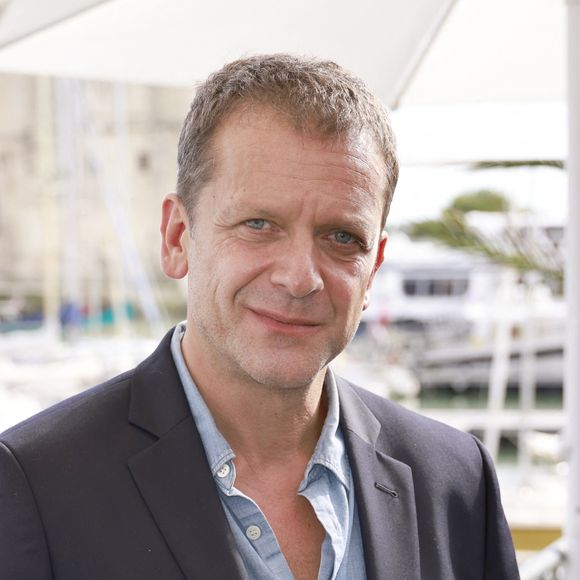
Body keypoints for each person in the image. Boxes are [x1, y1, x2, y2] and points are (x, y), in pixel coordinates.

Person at [0, 54, 520, 580]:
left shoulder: (456, 480)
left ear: (374, 268)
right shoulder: (35, 486)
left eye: (342, 237)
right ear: (178, 237)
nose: (300, 277)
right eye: (259, 224)